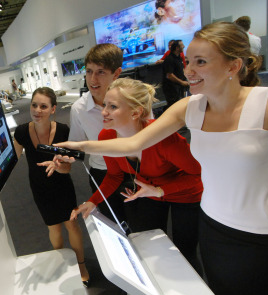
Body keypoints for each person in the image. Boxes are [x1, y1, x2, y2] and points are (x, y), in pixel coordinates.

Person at [55, 22, 268, 295]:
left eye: (201, 62)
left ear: (233, 66)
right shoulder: (190, 108)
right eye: (188, 61)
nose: (188, 71)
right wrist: (78, 147)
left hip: (261, 232)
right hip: (214, 225)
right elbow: (134, 144)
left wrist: (160, 189)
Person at [69, 77, 203, 271]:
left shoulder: (164, 139)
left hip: (185, 193)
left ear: (136, 112)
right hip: (150, 192)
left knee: (185, 251)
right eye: (105, 105)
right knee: (150, 245)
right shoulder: (106, 137)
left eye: (112, 106)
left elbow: (198, 175)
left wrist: (160, 190)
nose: (104, 112)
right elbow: (114, 176)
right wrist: (93, 200)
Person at [13, 87, 90, 286]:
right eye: (34, 105)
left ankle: (81, 264)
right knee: (53, 227)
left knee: (71, 224)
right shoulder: (21, 132)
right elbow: (12, 159)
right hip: (39, 188)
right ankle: (61, 263)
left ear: (53, 109)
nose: (37, 110)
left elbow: (68, 169)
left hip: (62, 185)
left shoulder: (63, 131)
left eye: (43, 106)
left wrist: (58, 166)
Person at [68, 43, 127, 223]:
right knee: (115, 225)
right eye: (89, 71)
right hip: (102, 173)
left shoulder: (133, 100)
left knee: (143, 227)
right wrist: (63, 158)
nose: (93, 79)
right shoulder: (79, 108)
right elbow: (76, 147)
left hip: (135, 171)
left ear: (116, 73)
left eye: (100, 72)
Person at [161, 40, 188, 112]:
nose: (184, 46)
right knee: (173, 107)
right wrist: (182, 82)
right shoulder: (169, 59)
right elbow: (169, 75)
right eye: (182, 45)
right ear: (177, 48)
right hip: (171, 89)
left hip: (178, 87)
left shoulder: (179, 58)